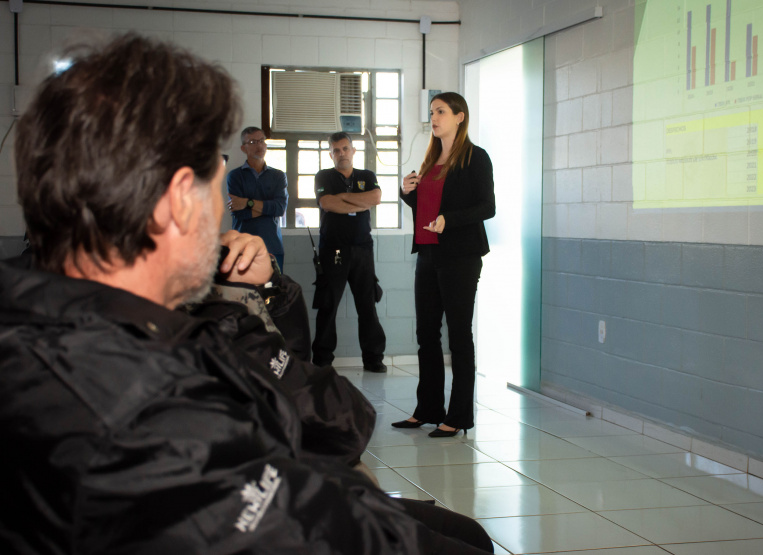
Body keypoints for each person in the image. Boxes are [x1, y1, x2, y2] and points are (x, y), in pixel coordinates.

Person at [1, 34, 495, 554]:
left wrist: (270, 292)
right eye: (216, 184)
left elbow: (323, 416)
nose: (223, 210)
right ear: (177, 204)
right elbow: (327, 460)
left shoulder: (141, 318)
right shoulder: (143, 419)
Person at [394, 92, 496, 438]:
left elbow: (487, 207)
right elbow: (425, 209)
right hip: (428, 254)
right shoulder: (431, 159)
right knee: (426, 335)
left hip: (461, 257)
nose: (434, 117)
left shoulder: (475, 158)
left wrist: (448, 221)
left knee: (458, 336)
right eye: (432, 112)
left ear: (459, 117)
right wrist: (408, 192)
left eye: (440, 112)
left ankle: (459, 416)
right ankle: (428, 409)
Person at [312, 132, 387, 373]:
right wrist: (357, 202)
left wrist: (342, 198)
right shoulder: (323, 176)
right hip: (333, 249)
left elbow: (376, 197)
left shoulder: (367, 176)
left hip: (363, 248)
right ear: (331, 153)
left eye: (345, 148)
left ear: (353, 150)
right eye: (336, 150)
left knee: (367, 305)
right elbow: (326, 203)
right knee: (328, 305)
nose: (341, 153)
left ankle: (373, 359)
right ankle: (322, 360)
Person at [227, 126, 289, 270]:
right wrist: (267, 208)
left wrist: (247, 202)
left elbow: (279, 209)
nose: (259, 145)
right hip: (243, 248)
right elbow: (239, 213)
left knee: (273, 290)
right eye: (253, 142)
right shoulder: (235, 176)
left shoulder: (278, 176)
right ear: (244, 148)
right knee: (246, 292)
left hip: (272, 246)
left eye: (261, 141)